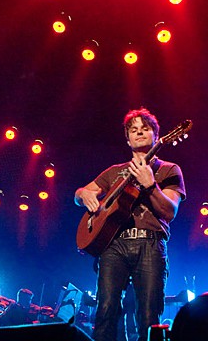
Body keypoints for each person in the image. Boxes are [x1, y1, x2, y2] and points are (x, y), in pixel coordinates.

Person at [74, 108, 186, 341]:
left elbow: (169, 211)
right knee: (106, 310)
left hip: (149, 244)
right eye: (133, 130)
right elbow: (79, 194)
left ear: (156, 135)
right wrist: (84, 194)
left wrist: (151, 186)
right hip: (113, 246)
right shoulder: (114, 172)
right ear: (127, 139)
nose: (139, 133)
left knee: (148, 314)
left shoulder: (168, 169)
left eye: (145, 129)